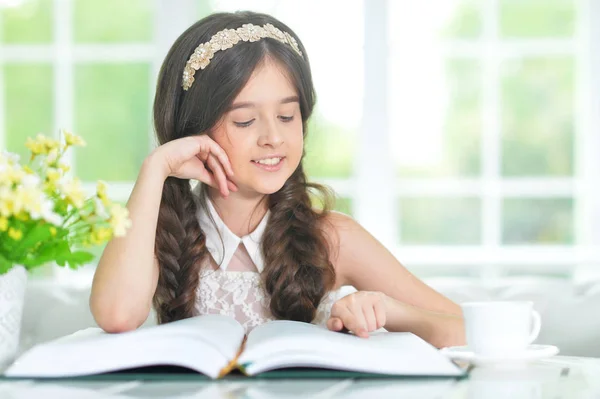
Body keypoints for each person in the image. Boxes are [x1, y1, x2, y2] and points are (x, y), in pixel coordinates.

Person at [90, 10, 465, 348]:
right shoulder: (158, 237)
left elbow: (466, 329)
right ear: (193, 129)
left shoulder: (333, 238)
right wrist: (155, 168)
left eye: (287, 117)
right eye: (244, 120)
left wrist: (389, 311)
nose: (273, 137)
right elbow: (117, 315)